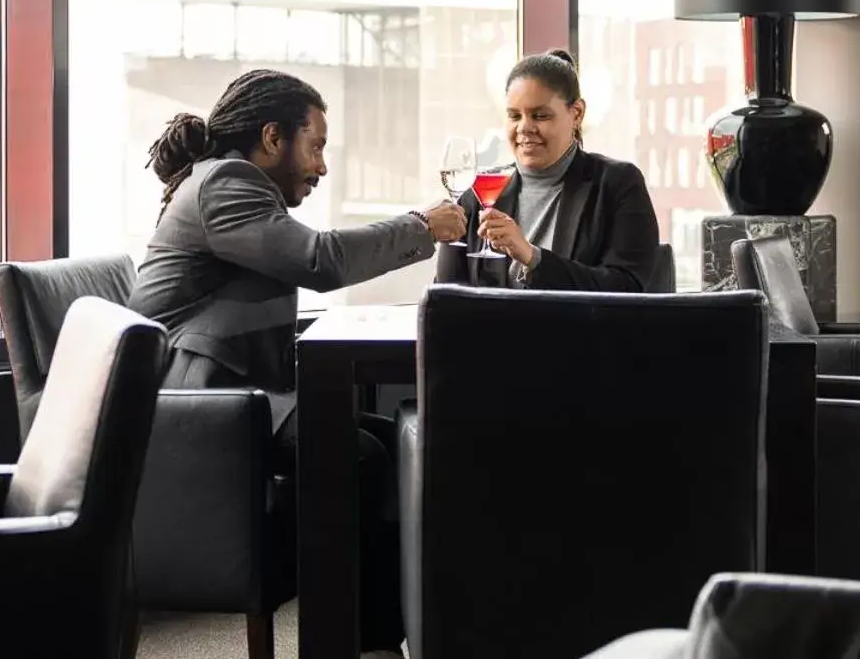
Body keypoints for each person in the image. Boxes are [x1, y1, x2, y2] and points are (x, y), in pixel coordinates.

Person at [128, 68, 464, 659]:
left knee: (404, 447)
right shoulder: (227, 183)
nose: (322, 166)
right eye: (316, 146)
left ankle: (381, 638)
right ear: (272, 137)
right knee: (359, 454)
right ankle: (354, 643)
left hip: (229, 394)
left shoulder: (232, 184)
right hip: (199, 406)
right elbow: (321, 260)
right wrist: (420, 227)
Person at [441, 48, 662, 292]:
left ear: (576, 113)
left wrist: (532, 257)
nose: (524, 128)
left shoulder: (618, 184)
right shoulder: (478, 194)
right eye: (514, 116)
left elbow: (627, 288)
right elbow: (446, 298)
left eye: (540, 116)